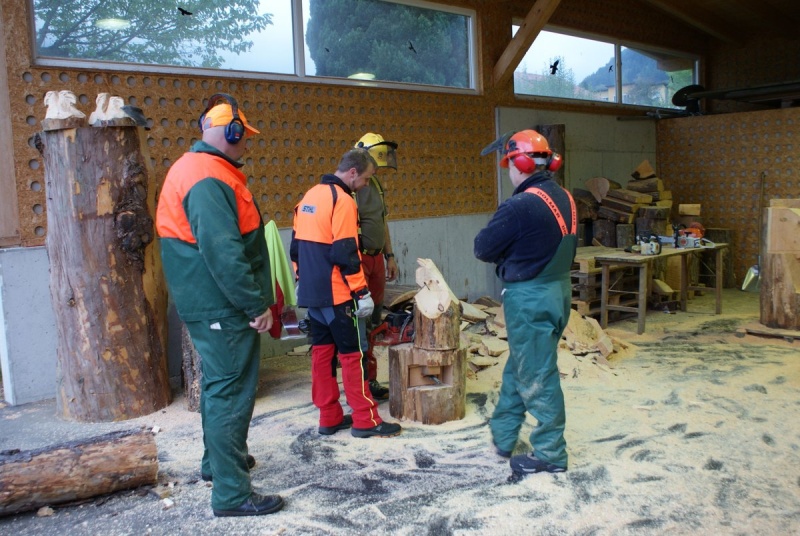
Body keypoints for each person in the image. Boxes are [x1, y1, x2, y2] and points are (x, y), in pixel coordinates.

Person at [156, 93, 284, 516]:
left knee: (218, 384)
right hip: (222, 305)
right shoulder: (207, 177)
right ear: (230, 131)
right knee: (231, 391)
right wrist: (254, 304)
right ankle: (231, 494)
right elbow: (224, 252)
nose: (246, 143)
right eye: (243, 136)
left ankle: (218, 464)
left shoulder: (199, 169)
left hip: (209, 301)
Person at [474, 130, 577, 476]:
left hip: (531, 298)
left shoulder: (519, 206)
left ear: (518, 164)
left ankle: (550, 453)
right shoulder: (565, 196)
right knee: (523, 365)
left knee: (537, 375)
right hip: (558, 293)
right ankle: (504, 435)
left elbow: (483, 248)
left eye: (509, 164)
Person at [290, 148, 402, 439]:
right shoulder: (342, 200)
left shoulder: (308, 197)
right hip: (339, 295)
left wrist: (301, 279)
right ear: (352, 173)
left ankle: (329, 417)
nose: (365, 185)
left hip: (312, 295)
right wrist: (361, 292)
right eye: (365, 179)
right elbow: (346, 252)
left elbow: (295, 249)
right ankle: (365, 420)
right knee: (353, 356)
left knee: (322, 356)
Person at [353, 133, 400, 400]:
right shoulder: (351, 187)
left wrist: (389, 255)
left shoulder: (376, 185)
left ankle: (370, 380)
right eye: (373, 166)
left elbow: (382, 222)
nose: (375, 172)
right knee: (359, 321)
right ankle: (359, 384)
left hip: (376, 258)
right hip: (357, 258)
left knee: (373, 319)